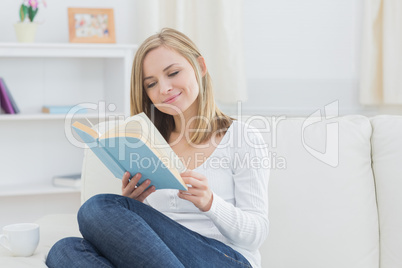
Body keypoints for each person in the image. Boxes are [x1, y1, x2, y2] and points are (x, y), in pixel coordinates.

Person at [46, 28, 269, 268]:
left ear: (200, 67)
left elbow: (256, 233)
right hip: (163, 258)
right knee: (64, 250)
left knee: (96, 208)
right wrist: (134, 207)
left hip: (224, 259)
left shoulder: (242, 137)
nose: (164, 89)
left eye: (173, 73)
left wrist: (210, 202)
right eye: (151, 84)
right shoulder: (149, 144)